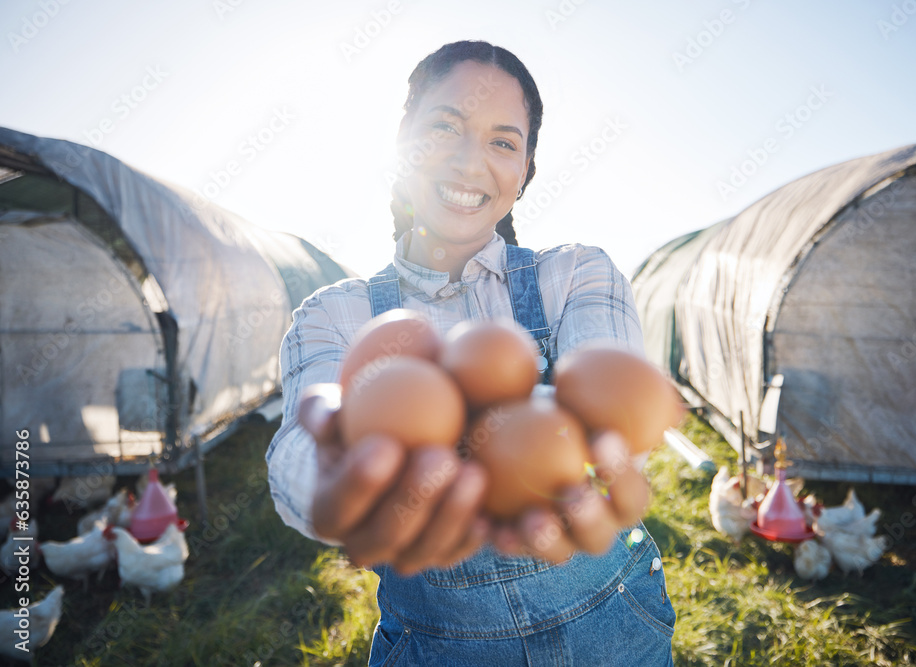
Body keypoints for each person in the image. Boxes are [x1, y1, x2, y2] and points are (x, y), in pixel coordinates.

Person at [267, 40, 675, 666]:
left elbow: (612, 414)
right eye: (443, 128)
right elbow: (298, 449)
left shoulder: (574, 275)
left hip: (613, 627)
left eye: (503, 142)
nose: (468, 162)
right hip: (440, 648)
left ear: (526, 170)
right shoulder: (334, 314)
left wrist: (561, 451)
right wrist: (336, 476)